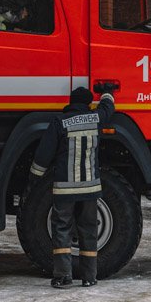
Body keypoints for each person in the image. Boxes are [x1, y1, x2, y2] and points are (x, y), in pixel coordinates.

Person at [30, 86, 116, 288]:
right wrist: (107, 94)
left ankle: (63, 276)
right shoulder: (95, 119)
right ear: (87, 104)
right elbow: (107, 108)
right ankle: (89, 277)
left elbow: (44, 153)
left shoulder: (60, 122)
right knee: (89, 231)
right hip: (90, 190)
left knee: (62, 230)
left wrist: (35, 177)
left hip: (65, 190)